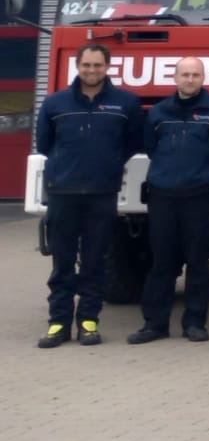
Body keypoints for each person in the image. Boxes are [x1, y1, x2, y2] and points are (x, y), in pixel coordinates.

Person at [36, 42, 144, 348]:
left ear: (107, 67)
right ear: (77, 66)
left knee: (95, 261)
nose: (91, 70)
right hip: (63, 191)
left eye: (97, 65)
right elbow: (44, 144)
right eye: (86, 65)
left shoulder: (126, 103)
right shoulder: (55, 103)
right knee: (62, 261)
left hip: (102, 192)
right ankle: (58, 323)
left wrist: (109, 165)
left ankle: (88, 322)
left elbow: (133, 142)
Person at [130, 57, 209, 344]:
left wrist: (204, 174)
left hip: (199, 196)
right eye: (185, 74)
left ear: (203, 78)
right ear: (175, 78)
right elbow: (151, 148)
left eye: (195, 75)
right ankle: (154, 324)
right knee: (161, 262)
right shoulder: (158, 112)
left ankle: (194, 323)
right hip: (162, 196)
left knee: (198, 262)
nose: (190, 79)